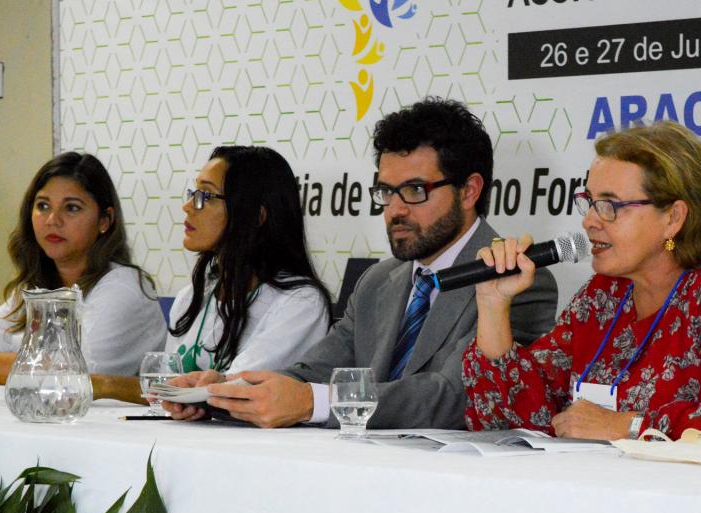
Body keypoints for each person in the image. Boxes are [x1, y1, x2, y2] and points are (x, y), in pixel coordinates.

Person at [165, 97, 558, 428]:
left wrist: (313, 403)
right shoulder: (378, 281)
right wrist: (225, 391)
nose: (395, 210)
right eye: (386, 191)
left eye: (415, 190)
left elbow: (457, 397)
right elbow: (312, 372)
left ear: (469, 191)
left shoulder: (516, 277)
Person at [463, 121, 701, 440]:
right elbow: (513, 418)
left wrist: (629, 427)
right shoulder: (603, 294)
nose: (590, 221)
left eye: (609, 205)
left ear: (673, 218)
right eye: (589, 202)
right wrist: (493, 303)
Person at [0, 152, 165, 389]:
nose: (52, 220)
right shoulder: (34, 287)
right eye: (43, 206)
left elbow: (71, 374)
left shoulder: (124, 287)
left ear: (104, 220)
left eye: (72, 208)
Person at [166, 145, 332, 374]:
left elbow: (238, 388)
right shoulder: (191, 297)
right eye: (193, 193)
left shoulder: (300, 303)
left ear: (256, 216)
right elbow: (162, 386)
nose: (188, 206)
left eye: (206, 195)